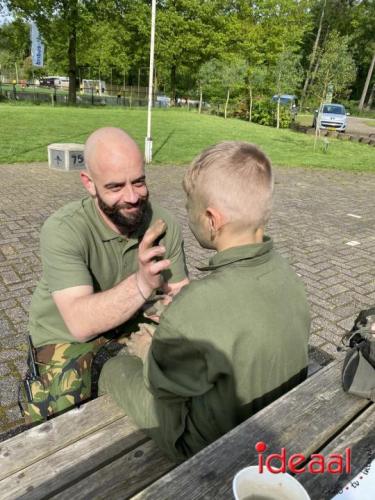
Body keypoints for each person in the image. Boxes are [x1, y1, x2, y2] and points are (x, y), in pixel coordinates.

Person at [99, 140, 311, 461]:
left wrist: (147, 350)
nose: (186, 211)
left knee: (114, 368)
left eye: (189, 204)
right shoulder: (290, 277)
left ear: (212, 219)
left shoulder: (197, 304)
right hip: (273, 416)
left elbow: (161, 388)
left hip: (211, 444)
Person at [24, 127, 189, 424]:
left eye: (138, 182)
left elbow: (179, 294)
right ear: (89, 183)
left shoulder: (164, 225)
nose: (132, 197)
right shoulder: (64, 229)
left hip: (131, 324)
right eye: (115, 187)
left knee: (183, 377)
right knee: (60, 430)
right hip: (64, 336)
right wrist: (142, 283)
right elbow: (79, 324)